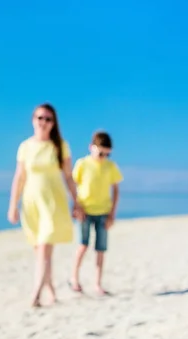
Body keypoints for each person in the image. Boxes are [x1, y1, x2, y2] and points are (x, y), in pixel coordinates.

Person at [8, 103, 83, 307]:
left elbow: (69, 177)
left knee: (44, 248)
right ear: (33, 120)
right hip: (31, 203)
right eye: (40, 118)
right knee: (40, 251)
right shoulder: (25, 146)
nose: (44, 122)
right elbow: (19, 177)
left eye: (48, 119)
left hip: (53, 202)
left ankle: (36, 294)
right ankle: (50, 289)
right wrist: (13, 205)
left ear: (53, 123)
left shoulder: (60, 146)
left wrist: (77, 202)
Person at [69, 131, 123, 296]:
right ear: (91, 147)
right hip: (85, 211)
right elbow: (73, 186)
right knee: (83, 245)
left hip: (103, 213)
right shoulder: (82, 164)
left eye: (107, 154)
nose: (103, 157)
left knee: (101, 249)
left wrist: (112, 214)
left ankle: (97, 284)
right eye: (101, 153)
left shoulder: (111, 166)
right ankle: (74, 279)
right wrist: (76, 207)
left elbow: (116, 189)